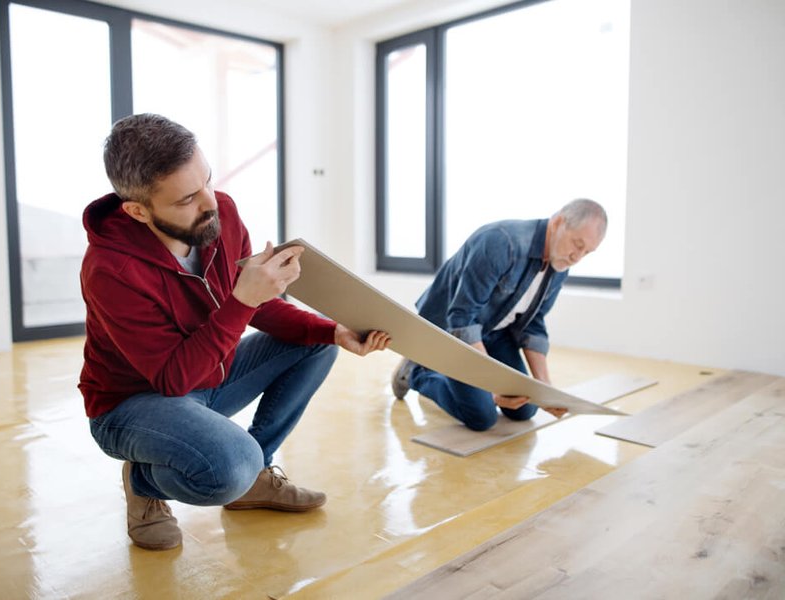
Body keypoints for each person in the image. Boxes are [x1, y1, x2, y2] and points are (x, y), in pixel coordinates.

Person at [80, 113, 390, 551]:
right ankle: (144, 481)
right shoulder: (110, 270)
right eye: (187, 198)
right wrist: (243, 300)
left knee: (316, 344)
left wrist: (335, 331)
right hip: (132, 406)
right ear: (138, 210)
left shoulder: (219, 213)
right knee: (229, 466)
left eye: (207, 180)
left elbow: (259, 309)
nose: (210, 202)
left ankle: (254, 479)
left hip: (207, 377)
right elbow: (173, 379)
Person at [391, 199, 607, 431]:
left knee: (525, 408)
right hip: (449, 331)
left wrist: (545, 389)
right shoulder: (500, 242)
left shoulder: (560, 265)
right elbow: (462, 320)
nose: (577, 257)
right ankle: (417, 372)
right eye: (577, 244)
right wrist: (492, 390)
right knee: (482, 416)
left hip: (494, 331)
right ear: (557, 223)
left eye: (587, 252)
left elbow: (533, 323)